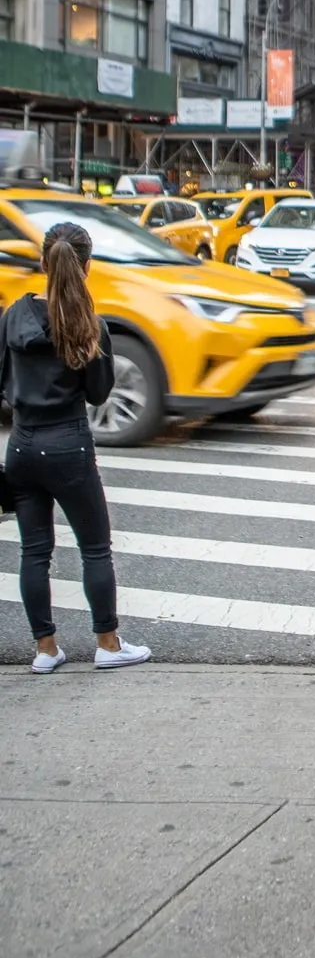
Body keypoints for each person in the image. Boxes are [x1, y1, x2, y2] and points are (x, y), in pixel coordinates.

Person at [0, 222, 151, 673]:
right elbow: (99, 395)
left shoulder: (12, 317)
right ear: (86, 267)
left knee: (34, 552)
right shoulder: (90, 324)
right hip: (68, 446)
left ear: (43, 263)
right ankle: (108, 643)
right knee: (95, 549)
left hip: (22, 447)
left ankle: (45, 650)